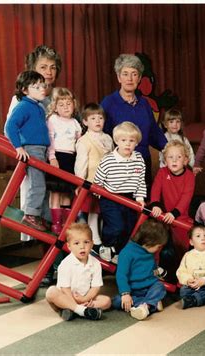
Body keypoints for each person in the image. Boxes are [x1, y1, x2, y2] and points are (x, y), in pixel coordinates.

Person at [101, 54, 167, 195]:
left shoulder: (144, 104)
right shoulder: (108, 102)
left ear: (139, 78)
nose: (129, 79)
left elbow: (154, 132)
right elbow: (101, 134)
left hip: (142, 161)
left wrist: (168, 149)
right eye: (125, 74)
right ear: (119, 77)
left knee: (140, 206)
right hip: (119, 164)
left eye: (134, 74)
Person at [4, 71, 51, 232]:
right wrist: (18, 147)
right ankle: (30, 214)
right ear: (25, 90)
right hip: (33, 149)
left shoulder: (38, 106)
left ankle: (43, 216)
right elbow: (10, 126)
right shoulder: (24, 106)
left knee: (42, 184)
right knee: (38, 184)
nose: (42, 89)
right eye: (36, 87)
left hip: (42, 149)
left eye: (42, 85)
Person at [93, 122, 147, 262]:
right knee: (117, 226)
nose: (127, 144)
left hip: (129, 198)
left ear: (136, 143)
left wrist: (140, 198)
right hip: (110, 197)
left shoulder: (139, 159)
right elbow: (98, 180)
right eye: (123, 140)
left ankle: (118, 252)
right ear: (117, 141)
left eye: (131, 141)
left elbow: (140, 180)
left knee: (129, 228)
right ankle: (106, 245)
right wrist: (99, 192)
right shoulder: (108, 160)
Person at [45, 223, 111, 321]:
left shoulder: (95, 263)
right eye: (77, 243)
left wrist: (85, 299)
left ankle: (73, 310)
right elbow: (65, 289)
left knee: (107, 301)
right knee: (51, 292)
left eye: (86, 242)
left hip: (85, 297)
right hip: (66, 297)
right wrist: (74, 302)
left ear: (92, 244)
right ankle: (81, 310)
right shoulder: (66, 264)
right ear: (69, 246)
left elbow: (95, 287)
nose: (82, 247)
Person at [150, 140, 195, 274]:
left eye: (179, 157)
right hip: (162, 214)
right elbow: (155, 190)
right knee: (156, 237)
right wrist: (156, 204)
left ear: (185, 160)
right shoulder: (162, 172)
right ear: (165, 160)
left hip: (179, 216)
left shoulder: (189, 176)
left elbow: (186, 197)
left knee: (182, 244)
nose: (174, 160)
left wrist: (174, 214)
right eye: (170, 157)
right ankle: (155, 267)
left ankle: (181, 271)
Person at [74, 103, 114, 252]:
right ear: (85, 122)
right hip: (91, 181)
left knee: (104, 212)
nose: (97, 121)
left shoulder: (108, 138)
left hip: (108, 182)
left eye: (100, 118)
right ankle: (95, 241)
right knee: (93, 211)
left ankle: (103, 240)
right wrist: (80, 182)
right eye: (93, 118)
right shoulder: (84, 141)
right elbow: (81, 164)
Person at [112, 218, 169, 320]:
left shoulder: (150, 252)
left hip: (149, 287)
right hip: (132, 290)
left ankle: (146, 306)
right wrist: (125, 294)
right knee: (116, 301)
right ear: (148, 242)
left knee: (160, 287)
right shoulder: (127, 252)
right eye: (158, 246)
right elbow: (121, 275)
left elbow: (152, 268)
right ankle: (151, 303)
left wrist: (158, 274)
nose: (159, 249)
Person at [45, 87, 82, 234]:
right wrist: (52, 157)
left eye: (68, 103)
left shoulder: (75, 123)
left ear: (74, 105)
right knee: (56, 191)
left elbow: (79, 142)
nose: (65, 107)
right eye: (61, 104)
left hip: (71, 159)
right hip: (58, 157)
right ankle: (56, 223)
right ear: (55, 107)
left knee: (67, 192)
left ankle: (66, 223)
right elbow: (50, 140)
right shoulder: (53, 120)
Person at [7, 45, 62, 116]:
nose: (49, 72)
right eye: (43, 67)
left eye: (53, 68)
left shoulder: (62, 96)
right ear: (33, 70)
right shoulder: (20, 99)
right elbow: (10, 127)